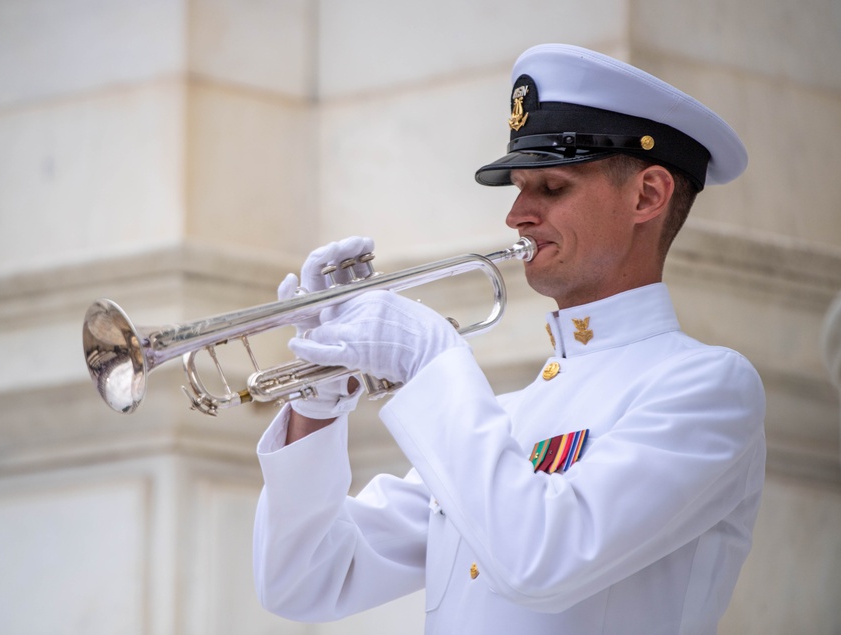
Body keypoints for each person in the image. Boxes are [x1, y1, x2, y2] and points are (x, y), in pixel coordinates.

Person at [251, 43, 766, 634]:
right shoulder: (506, 417)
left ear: (647, 196)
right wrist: (319, 403)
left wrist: (432, 356)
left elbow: (541, 561)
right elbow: (305, 579)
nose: (517, 214)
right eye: (518, 188)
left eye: (550, 188)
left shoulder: (706, 387)